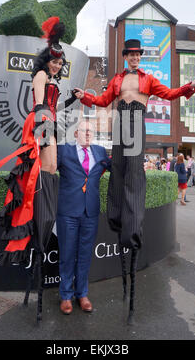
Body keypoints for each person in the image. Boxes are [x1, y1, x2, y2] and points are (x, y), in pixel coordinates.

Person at [74, 38, 195, 323]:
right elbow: (101, 101)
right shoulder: (118, 79)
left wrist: (190, 86)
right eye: (130, 54)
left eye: (137, 54)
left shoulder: (148, 79)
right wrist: (84, 96)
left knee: (134, 174)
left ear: (140, 57)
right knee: (118, 171)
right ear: (125, 57)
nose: (134, 58)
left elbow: (171, 94)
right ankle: (117, 218)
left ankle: (131, 231)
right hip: (120, 124)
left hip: (136, 124)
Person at [0, 17, 78, 323]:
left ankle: (44, 211)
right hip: (40, 122)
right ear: (46, 59)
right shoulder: (40, 75)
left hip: (47, 120)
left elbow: (51, 107)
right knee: (47, 167)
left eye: (60, 62)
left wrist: (70, 102)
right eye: (54, 60)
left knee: (50, 170)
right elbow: (39, 106)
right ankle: (41, 213)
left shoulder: (53, 80)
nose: (57, 65)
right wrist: (43, 130)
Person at [56, 119, 111, 315]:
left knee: (85, 255)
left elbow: (117, 168)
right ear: (75, 134)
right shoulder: (63, 151)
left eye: (91, 131)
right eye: (84, 130)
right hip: (68, 212)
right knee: (67, 254)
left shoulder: (100, 152)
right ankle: (65, 296)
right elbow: (46, 166)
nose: (88, 134)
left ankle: (82, 294)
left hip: (90, 212)